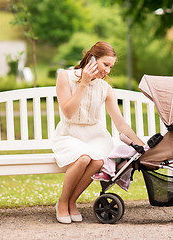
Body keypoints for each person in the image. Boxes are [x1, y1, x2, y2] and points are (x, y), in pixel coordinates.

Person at [52, 41, 144, 224]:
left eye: (111, 66)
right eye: (105, 65)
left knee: (98, 161)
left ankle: (71, 202)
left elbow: (120, 123)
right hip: (70, 134)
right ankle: (62, 202)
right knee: (84, 158)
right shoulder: (65, 76)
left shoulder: (105, 88)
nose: (108, 71)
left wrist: (141, 144)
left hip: (95, 135)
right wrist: (84, 83)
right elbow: (68, 112)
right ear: (92, 59)